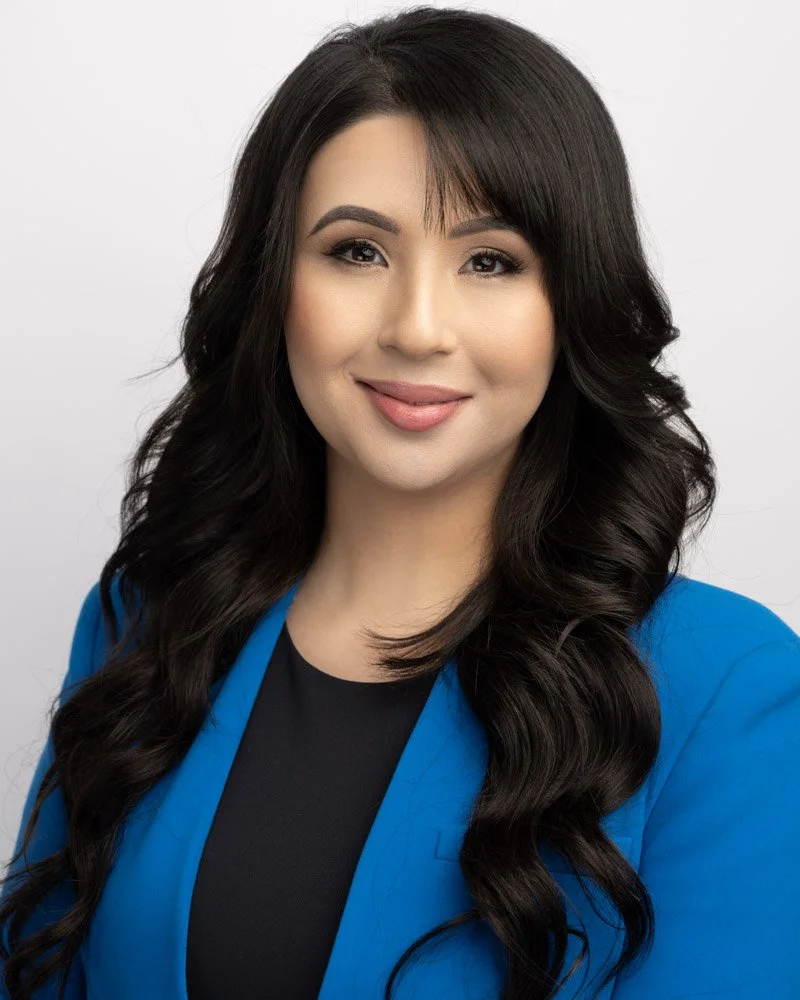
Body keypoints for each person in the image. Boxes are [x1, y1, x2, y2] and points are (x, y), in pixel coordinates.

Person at [2, 6, 798, 999]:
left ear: (571, 305)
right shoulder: (149, 622)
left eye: (490, 261)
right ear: (273, 285)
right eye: (356, 251)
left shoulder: (730, 691)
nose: (418, 328)